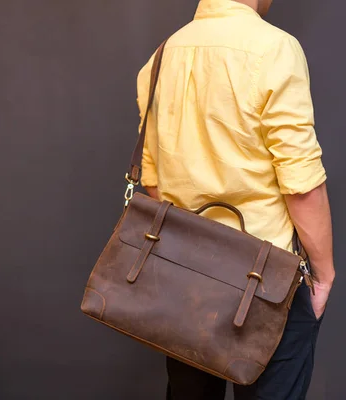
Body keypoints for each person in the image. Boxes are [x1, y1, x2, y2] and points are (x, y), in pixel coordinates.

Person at [136, 1, 335, 399]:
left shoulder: (160, 57)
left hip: (184, 278)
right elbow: (301, 183)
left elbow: (152, 182)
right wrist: (324, 273)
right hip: (265, 279)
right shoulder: (275, 48)